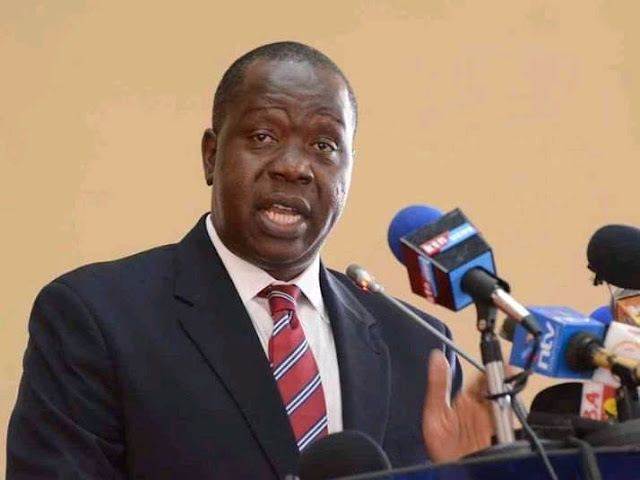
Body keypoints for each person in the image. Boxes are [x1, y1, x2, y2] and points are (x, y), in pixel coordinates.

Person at [7, 41, 493, 479]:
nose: (294, 167)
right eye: (263, 137)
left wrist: (468, 476)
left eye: (324, 146)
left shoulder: (417, 346)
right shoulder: (96, 318)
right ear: (210, 155)